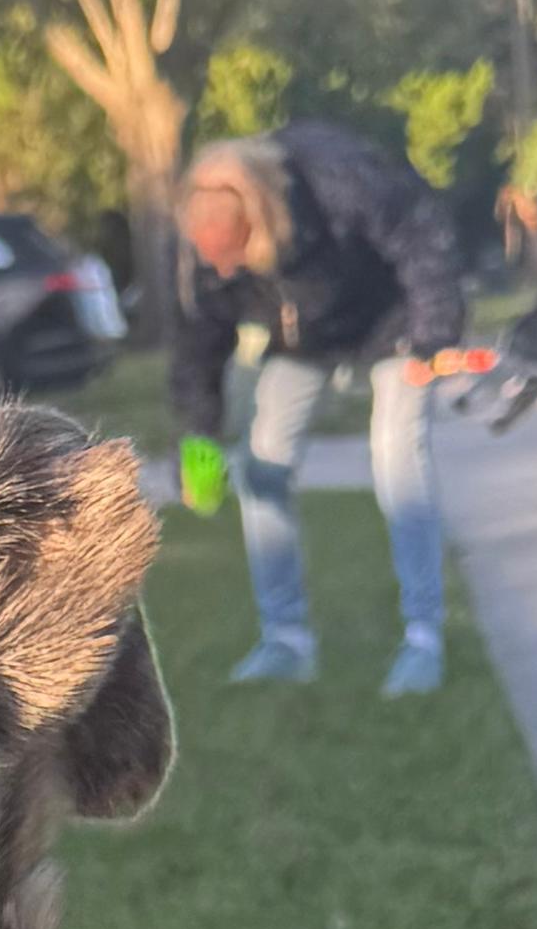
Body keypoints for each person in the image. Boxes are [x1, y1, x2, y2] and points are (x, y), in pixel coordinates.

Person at [169, 125, 467, 695]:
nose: (224, 272)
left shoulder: (336, 178)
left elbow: (420, 236)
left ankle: (424, 638)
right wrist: (199, 433)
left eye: (232, 257)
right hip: (305, 338)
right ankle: (286, 641)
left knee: (397, 458)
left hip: (393, 319)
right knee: (262, 468)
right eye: (214, 262)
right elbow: (199, 339)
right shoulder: (203, 246)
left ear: (259, 219)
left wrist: (433, 337)